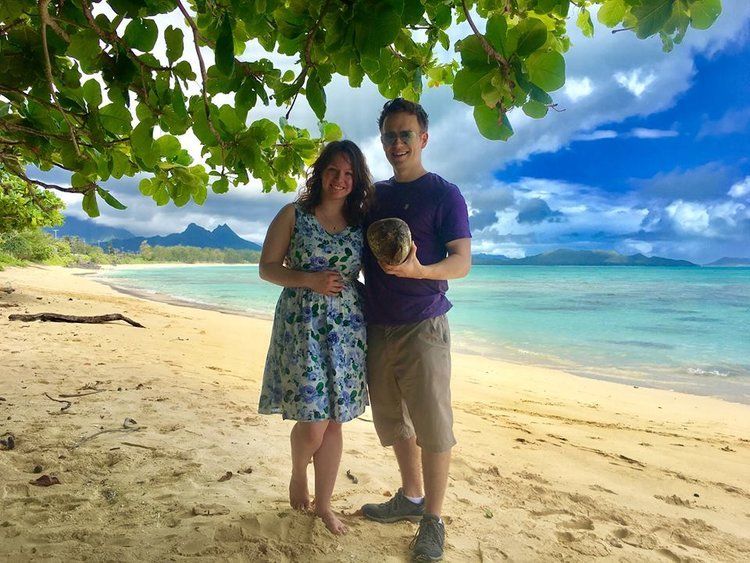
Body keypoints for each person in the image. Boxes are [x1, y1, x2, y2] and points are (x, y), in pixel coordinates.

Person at [360, 99, 472, 561]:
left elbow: (462, 262)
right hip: (377, 324)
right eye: (389, 135)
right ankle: (410, 496)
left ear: (423, 138)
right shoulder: (373, 197)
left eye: (406, 134)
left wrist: (419, 271)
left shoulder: (445, 194)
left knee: (432, 425)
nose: (397, 143)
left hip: (424, 323)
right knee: (393, 420)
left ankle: (433, 519)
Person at [258, 140, 373, 534]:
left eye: (349, 174)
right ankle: (297, 473)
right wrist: (309, 280)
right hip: (302, 328)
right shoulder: (294, 214)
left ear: (356, 181)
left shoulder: (361, 225)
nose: (340, 180)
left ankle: (325, 506)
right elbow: (268, 269)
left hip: (347, 333)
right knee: (312, 424)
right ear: (320, 172)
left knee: (336, 421)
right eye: (333, 171)